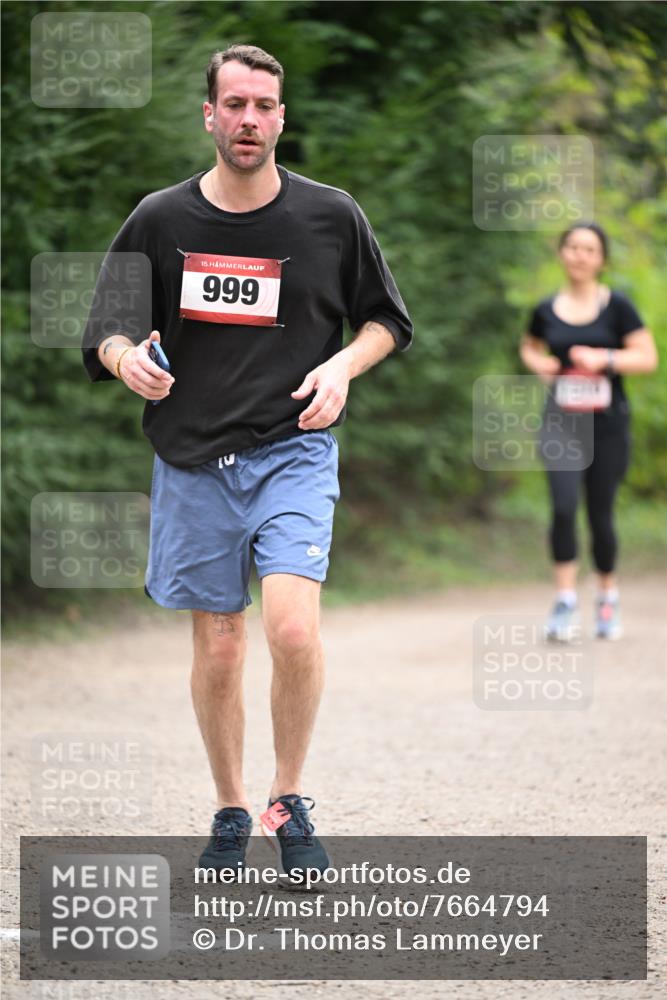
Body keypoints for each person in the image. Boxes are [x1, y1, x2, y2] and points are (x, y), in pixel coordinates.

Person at [82, 45, 412, 876]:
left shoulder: (330, 216)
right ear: (209, 115)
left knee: (292, 626)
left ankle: (286, 799)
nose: (248, 120)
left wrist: (341, 366)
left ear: (281, 118)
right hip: (193, 459)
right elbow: (106, 327)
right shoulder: (160, 218)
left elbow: (385, 320)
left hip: (291, 450)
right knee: (222, 647)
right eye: (234, 104)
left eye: (263, 106)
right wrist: (126, 361)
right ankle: (231, 808)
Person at [519, 222, 657, 641]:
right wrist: (539, 364)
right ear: (561, 253)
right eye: (573, 247)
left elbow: (647, 357)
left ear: (601, 259)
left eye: (589, 249)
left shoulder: (618, 307)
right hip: (561, 421)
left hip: (608, 424)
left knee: (600, 514)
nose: (579, 255)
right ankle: (565, 601)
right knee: (563, 508)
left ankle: (607, 596)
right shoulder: (545, 309)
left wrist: (605, 359)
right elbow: (529, 346)